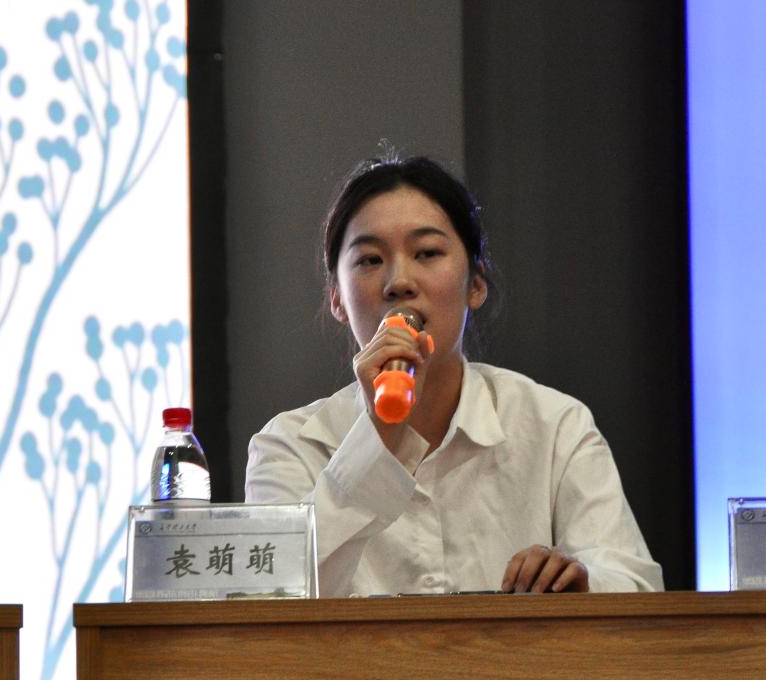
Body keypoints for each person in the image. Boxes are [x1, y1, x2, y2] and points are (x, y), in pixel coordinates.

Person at [244, 154, 663, 597]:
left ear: (475, 284)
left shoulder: (555, 425)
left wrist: (580, 584)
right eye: (369, 259)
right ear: (337, 300)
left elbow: (637, 587)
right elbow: (269, 602)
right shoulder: (289, 446)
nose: (399, 282)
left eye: (427, 253)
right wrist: (377, 438)